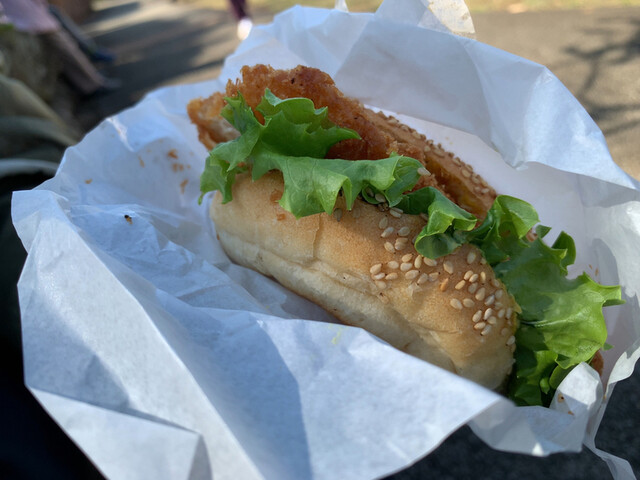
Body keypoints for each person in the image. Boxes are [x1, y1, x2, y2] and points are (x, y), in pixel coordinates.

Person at [0, 0, 119, 96]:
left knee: (55, 15)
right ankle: (92, 80)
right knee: (66, 47)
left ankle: (91, 54)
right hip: (27, 20)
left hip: (29, 17)